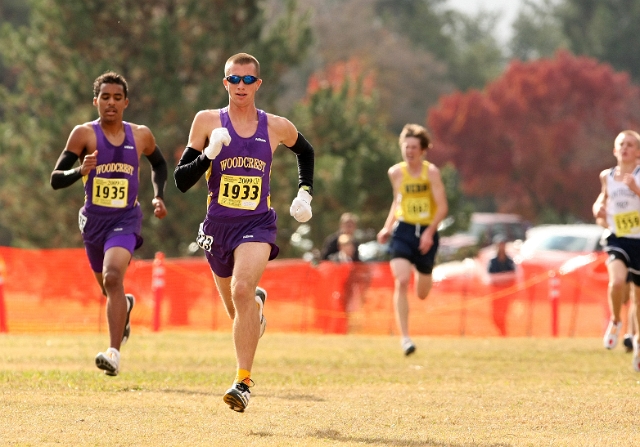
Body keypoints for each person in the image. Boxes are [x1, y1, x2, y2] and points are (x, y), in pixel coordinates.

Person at [174, 53, 314, 412]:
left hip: (257, 224)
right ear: (225, 83)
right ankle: (255, 309)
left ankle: (242, 381)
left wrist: (304, 192)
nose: (240, 86)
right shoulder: (207, 121)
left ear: (258, 84)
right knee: (239, 312)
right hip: (217, 228)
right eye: (234, 79)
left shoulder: (275, 126)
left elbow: (306, 151)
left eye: (248, 80)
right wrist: (208, 153)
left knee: (241, 288)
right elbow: (181, 180)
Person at [50, 71, 168, 376]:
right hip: (94, 223)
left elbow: (158, 164)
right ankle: (124, 307)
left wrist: (158, 196)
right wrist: (79, 171)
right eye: (105, 97)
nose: (111, 103)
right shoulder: (83, 135)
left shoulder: (141, 135)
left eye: (117, 98)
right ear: (95, 101)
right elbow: (55, 179)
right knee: (108, 289)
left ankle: (113, 353)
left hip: (126, 218)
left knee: (114, 277)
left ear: (126, 102)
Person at [376, 123, 448, 356]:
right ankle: (405, 338)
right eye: (406, 147)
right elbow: (397, 201)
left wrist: (429, 233)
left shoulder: (432, 173)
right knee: (402, 279)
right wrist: (387, 227)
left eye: (414, 147)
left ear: (423, 150)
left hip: (427, 230)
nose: (409, 151)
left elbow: (442, 207)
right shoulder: (396, 173)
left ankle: (423, 270)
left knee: (422, 292)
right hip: (404, 231)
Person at [595, 130, 640, 371]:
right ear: (615, 150)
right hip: (617, 238)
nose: (625, 148)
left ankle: (638, 345)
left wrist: (636, 189)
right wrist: (598, 208)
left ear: (638, 153)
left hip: (639, 241)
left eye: (631, 145)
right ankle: (615, 321)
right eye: (621, 144)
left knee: (638, 299)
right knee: (618, 282)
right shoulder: (607, 176)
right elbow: (602, 200)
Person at [486, 234, 517, 336]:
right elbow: (491, 277)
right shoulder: (493, 261)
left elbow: (514, 275)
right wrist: (505, 277)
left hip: (506, 293)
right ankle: (501, 332)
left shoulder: (509, 261)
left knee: (504, 314)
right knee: (495, 316)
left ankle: (504, 333)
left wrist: (502, 278)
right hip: (496, 294)